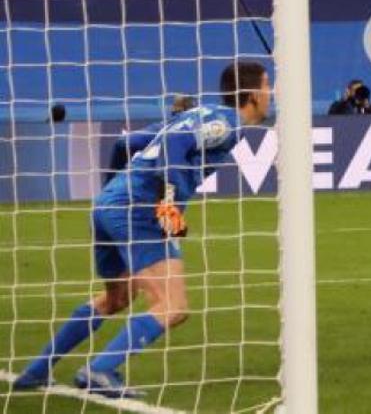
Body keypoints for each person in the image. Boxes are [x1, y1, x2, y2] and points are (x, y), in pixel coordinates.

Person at [10, 61, 270, 398]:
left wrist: (111, 194)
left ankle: (35, 371)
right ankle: (100, 370)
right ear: (253, 95)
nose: (271, 92)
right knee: (173, 305)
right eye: (267, 85)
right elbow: (174, 144)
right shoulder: (227, 124)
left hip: (110, 204)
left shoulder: (198, 114)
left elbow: (126, 144)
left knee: (117, 297)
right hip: (141, 211)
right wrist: (169, 202)